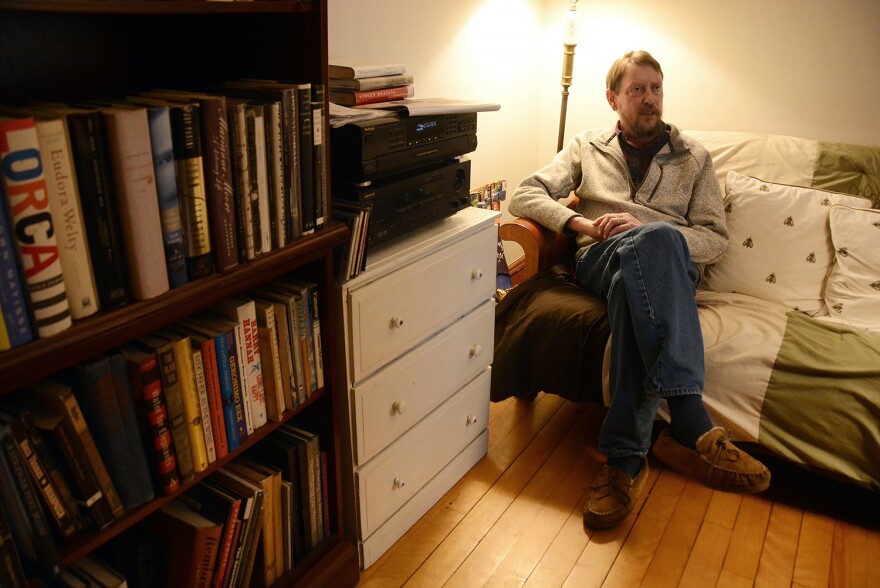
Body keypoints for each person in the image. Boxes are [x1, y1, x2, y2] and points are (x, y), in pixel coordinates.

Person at [508, 50, 771, 530]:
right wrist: (582, 224)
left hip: (668, 268)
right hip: (599, 258)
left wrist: (649, 228)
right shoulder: (586, 145)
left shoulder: (694, 158)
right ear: (613, 98)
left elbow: (713, 239)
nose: (650, 100)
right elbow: (523, 193)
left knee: (653, 249)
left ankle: (623, 461)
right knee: (646, 248)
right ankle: (689, 421)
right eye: (637, 90)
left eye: (656, 88)